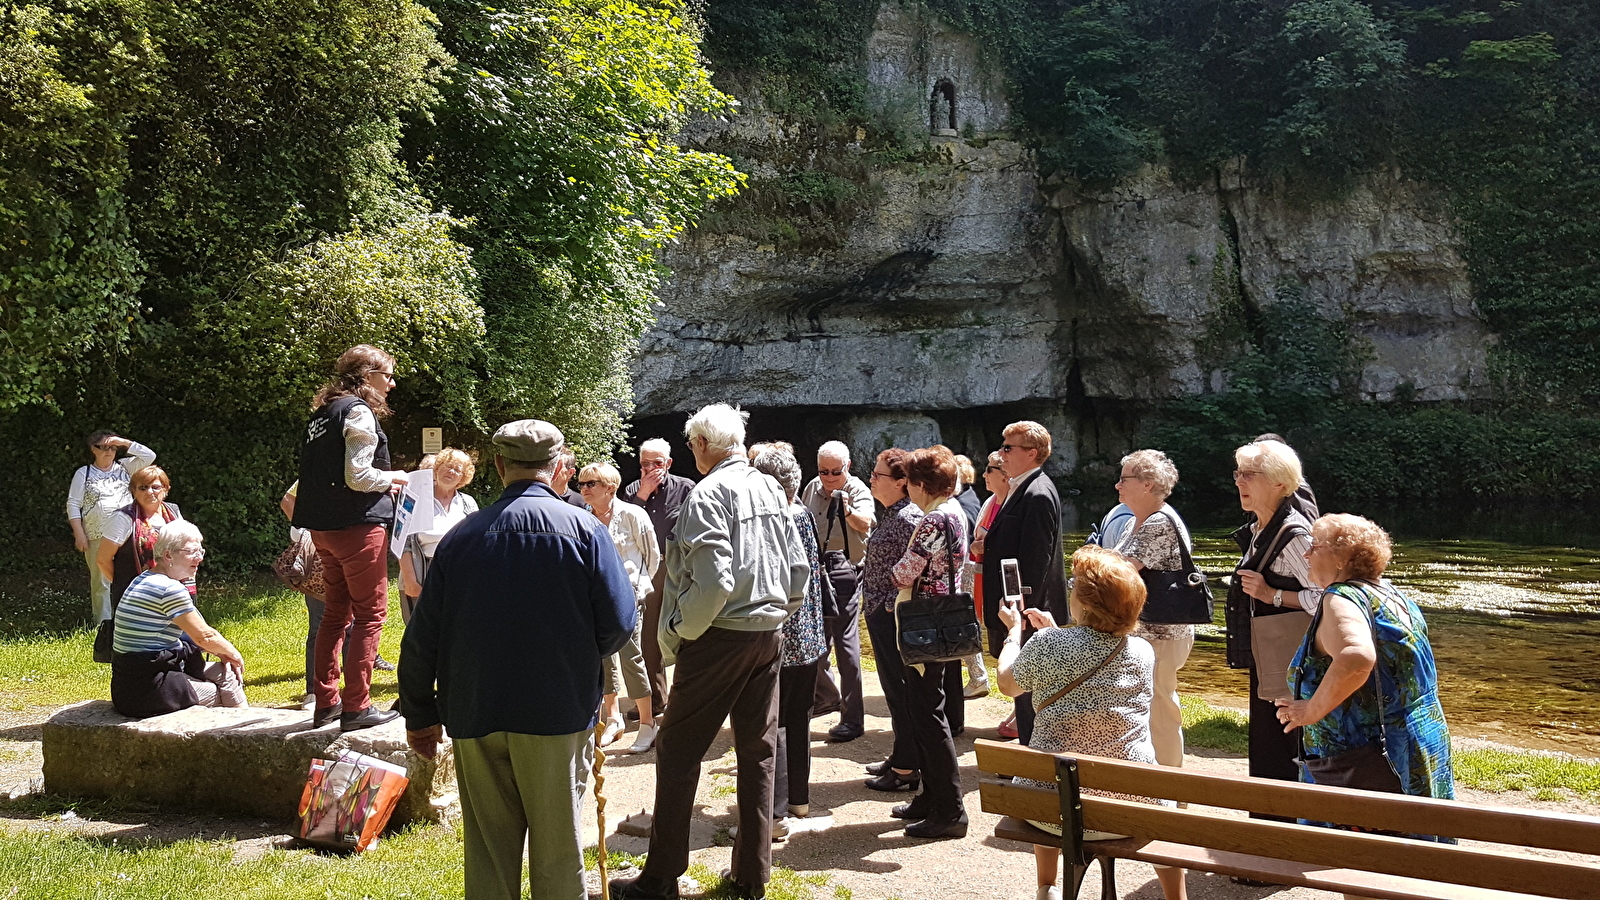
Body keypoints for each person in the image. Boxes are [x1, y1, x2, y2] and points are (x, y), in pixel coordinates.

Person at [400, 419, 637, 900]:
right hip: (556, 711)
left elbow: (422, 638)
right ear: (555, 467)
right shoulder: (586, 530)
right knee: (557, 852)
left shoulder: (461, 538)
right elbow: (618, 622)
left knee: (488, 854)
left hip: (475, 709)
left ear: (499, 464)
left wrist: (421, 715)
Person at [615, 404, 810, 900]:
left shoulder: (708, 493)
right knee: (758, 753)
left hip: (719, 634)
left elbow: (713, 582)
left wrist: (680, 632)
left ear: (701, 445)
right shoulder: (770, 485)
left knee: (677, 752)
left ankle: (660, 878)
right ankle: (751, 877)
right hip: (768, 635)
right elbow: (797, 568)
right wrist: (778, 612)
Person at [996, 545, 1187, 900]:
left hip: (1052, 811)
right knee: (1166, 814)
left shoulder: (1047, 644)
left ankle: (1047, 887)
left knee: (1051, 772)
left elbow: (1008, 684)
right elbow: (1092, 654)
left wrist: (1013, 635)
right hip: (1130, 809)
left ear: (1084, 602)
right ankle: (1177, 897)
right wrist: (1054, 634)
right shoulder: (1142, 651)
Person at [1275, 514, 1454, 842]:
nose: (1306, 554)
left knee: (1361, 863)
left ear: (1341, 558)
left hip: (1363, 762)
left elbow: (1357, 658)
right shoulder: (1392, 595)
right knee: (1417, 861)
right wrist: (1309, 696)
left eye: (1314, 546)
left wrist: (1312, 709)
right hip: (1418, 746)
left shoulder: (1340, 597)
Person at [291, 344, 408, 732]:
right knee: (371, 615)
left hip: (322, 530)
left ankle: (326, 703)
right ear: (366, 375)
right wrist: (395, 478)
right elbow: (358, 476)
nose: (391, 384)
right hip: (357, 528)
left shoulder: (321, 414)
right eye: (387, 375)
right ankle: (357, 707)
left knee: (335, 615)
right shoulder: (357, 410)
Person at [884, 445, 971, 839]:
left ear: (920, 485)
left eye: (911, 485)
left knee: (928, 715)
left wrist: (889, 569)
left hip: (923, 626)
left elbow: (904, 573)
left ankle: (951, 810)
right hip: (943, 623)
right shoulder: (956, 512)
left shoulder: (933, 520)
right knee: (925, 709)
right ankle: (928, 798)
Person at [1230, 439, 1319, 797]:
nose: (1239, 482)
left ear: (1280, 483)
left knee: (1282, 750)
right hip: (1270, 662)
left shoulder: (1296, 536)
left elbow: (1329, 598)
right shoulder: (1258, 529)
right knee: (1267, 747)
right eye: (1238, 473)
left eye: (1249, 475)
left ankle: (1283, 833)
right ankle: (1268, 828)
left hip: (1290, 667)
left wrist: (1274, 595)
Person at [752, 445, 827, 830]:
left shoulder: (776, 517)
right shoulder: (802, 513)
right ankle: (798, 801)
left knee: (774, 723)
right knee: (799, 721)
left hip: (783, 633)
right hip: (810, 634)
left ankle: (776, 813)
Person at [981, 420, 1067, 745]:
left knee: (1031, 694)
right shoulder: (1025, 486)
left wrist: (1021, 615)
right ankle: (1030, 760)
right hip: (1022, 612)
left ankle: (1033, 766)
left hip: (1031, 614)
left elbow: (1036, 561)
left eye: (1007, 447)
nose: (1001, 453)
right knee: (1025, 695)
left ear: (1031, 453)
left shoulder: (1038, 493)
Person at [1108, 449, 1195, 769]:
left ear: (1147, 484)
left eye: (1124, 479)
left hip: (1161, 633)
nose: (1118, 485)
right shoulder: (1137, 521)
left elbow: (1119, 572)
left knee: (1160, 709)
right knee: (1149, 707)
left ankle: (1171, 790)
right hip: (1148, 632)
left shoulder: (1158, 522)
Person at [110, 521, 247, 717]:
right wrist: (233, 653)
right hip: (147, 690)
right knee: (220, 691)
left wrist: (222, 652)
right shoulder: (169, 589)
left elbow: (197, 636)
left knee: (226, 673)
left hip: (129, 685)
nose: (199, 558)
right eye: (192, 552)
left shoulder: (143, 578)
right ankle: (240, 736)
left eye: (201, 551)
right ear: (168, 555)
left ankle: (243, 732)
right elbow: (204, 637)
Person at [580, 461, 661, 753]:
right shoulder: (583, 517)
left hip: (629, 598)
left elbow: (652, 557)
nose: (584, 489)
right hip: (594, 599)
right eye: (582, 484)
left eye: (591, 484)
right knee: (604, 659)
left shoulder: (632, 515)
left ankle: (647, 723)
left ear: (610, 488)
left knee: (632, 658)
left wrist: (637, 588)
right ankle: (613, 719)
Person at [859, 449, 926, 792]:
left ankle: (906, 768)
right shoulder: (892, 514)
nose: (871, 479)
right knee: (892, 689)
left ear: (901, 483)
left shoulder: (908, 518)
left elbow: (917, 570)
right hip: (881, 613)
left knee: (901, 691)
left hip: (892, 618)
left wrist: (886, 606)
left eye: (878, 475)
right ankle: (901, 756)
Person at [801, 440, 873, 742]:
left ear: (848, 467)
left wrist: (845, 511)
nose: (829, 478)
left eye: (835, 472)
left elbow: (866, 522)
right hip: (817, 572)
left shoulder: (857, 490)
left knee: (846, 647)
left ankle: (853, 719)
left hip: (847, 573)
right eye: (824, 472)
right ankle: (827, 697)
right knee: (814, 640)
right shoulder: (812, 487)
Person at [621, 437, 697, 717]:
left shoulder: (686, 488)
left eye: (657, 463)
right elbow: (623, 525)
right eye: (645, 463)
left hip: (680, 565)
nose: (651, 468)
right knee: (650, 634)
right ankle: (654, 699)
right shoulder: (631, 491)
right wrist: (643, 493)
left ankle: (688, 697)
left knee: (687, 629)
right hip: (648, 569)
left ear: (669, 463)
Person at [66, 431, 156, 626]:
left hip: (127, 534)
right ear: (93, 449)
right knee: (101, 581)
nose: (108, 451)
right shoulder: (84, 473)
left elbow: (150, 456)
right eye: (103, 447)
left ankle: (130, 621)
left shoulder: (126, 468)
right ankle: (103, 625)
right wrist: (79, 533)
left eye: (112, 447)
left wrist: (123, 442)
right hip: (96, 533)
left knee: (131, 575)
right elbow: (73, 504)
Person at [398, 448, 480, 623]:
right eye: (448, 466)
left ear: (463, 477)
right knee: (420, 633)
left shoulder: (468, 503)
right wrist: (410, 580)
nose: (451, 471)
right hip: (423, 573)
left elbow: (476, 542)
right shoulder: (414, 499)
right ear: (437, 468)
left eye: (458, 470)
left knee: (454, 629)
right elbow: (401, 541)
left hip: (457, 575)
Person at [98, 466, 189, 612]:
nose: (150, 492)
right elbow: (102, 559)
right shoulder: (122, 518)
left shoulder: (173, 512)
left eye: (156, 487)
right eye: (143, 488)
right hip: (136, 596)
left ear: (165, 490)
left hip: (173, 591)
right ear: (133, 491)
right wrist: (125, 586)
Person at [952, 453, 989, 699]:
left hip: (964, 569)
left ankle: (978, 676)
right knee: (964, 622)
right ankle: (977, 676)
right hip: (969, 567)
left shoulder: (961, 503)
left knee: (961, 623)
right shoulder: (971, 498)